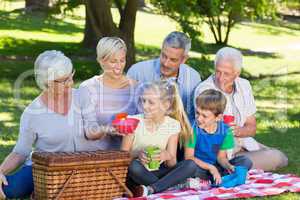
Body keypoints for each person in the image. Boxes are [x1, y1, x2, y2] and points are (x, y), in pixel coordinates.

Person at [0, 50, 85, 199]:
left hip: (81, 166)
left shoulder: (82, 97)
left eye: (71, 76)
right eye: (63, 80)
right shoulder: (32, 113)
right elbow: (20, 151)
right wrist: (1, 171)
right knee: (10, 190)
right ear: (47, 83)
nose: (70, 83)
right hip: (44, 169)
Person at [194, 47, 288, 171]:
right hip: (218, 151)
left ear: (237, 74)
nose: (221, 77)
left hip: (242, 142)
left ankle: (241, 162)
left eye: (226, 73)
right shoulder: (204, 90)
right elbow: (206, 132)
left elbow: (251, 127)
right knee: (275, 158)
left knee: (281, 158)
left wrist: (238, 131)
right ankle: (228, 167)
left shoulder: (244, 85)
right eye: (218, 71)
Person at [127, 31, 201, 161]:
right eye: (164, 56)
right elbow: (129, 110)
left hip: (178, 142)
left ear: (184, 59)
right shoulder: (137, 71)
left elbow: (192, 117)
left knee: (189, 164)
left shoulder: (193, 78)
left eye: (173, 60)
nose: (166, 63)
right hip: (143, 140)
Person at [121, 80, 197, 197]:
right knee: (133, 166)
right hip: (137, 174)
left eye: (151, 102)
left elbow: (171, 164)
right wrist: (138, 154)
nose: (145, 106)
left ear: (165, 105)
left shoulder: (173, 125)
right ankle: (169, 187)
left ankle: (152, 189)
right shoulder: (132, 121)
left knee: (190, 165)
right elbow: (121, 158)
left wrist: (167, 155)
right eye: (143, 101)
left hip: (158, 172)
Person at [78, 37, 139, 151]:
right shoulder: (88, 88)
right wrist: (110, 129)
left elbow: (144, 124)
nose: (119, 66)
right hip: (95, 155)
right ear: (101, 61)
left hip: (126, 156)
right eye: (113, 61)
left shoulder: (136, 87)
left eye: (122, 60)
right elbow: (89, 132)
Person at [186, 89, 252, 184]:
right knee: (189, 167)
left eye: (204, 116)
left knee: (245, 161)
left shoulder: (225, 131)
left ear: (219, 117)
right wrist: (211, 168)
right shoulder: (192, 128)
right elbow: (189, 157)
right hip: (198, 167)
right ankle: (219, 177)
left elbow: (221, 157)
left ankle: (219, 176)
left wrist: (229, 166)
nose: (199, 118)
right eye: (197, 113)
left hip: (215, 166)